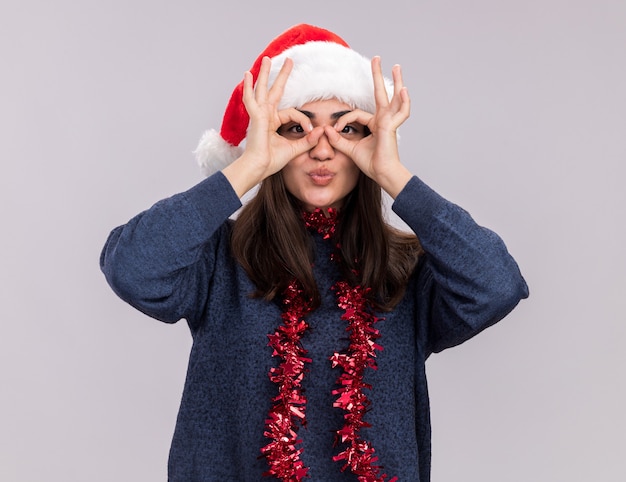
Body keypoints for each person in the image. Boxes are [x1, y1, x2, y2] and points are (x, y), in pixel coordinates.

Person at [100, 24, 528, 482]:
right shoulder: (218, 260)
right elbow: (132, 268)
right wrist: (250, 166)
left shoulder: (405, 271)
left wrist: (392, 172)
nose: (322, 148)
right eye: (295, 128)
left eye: (348, 129)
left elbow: (496, 286)